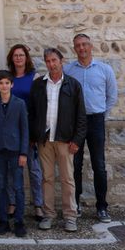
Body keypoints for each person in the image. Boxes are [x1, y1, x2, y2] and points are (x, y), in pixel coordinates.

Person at [28, 47, 87, 233]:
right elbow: (32, 113)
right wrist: (33, 136)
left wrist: (77, 140)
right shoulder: (38, 85)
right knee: (47, 178)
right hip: (45, 140)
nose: (51, 64)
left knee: (68, 179)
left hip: (65, 140)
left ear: (61, 61)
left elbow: (81, 116)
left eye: (54, 60)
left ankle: (70, 216)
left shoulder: (73, 85)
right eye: (48, 61)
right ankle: (49, 215)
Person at [64, 33, 118, 222]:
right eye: (78, 45)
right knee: (75, 165)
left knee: (99, 165)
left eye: (85, 44)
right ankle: (75, 205)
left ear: (91, 46)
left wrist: (102, 115)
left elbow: (112, 96)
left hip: (96, 121)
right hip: (76, 123)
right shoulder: (68, 70)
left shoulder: (104, 69)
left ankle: (102, 207)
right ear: (74, 48)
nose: (82, 48)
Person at [0, 69, 28, 237]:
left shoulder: (19, 103)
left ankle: (19, 220)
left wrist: (24, 153)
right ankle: (3, 220)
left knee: (18, 186)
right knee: (1, 185)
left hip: (16, 150)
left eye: (7, 83)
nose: (4, 86)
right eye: (1, 83)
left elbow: (24, 129)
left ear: (11, 84)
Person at [6, 44, 45, 221]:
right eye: (16, 55)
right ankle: (13, 204)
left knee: (34, 169)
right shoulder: (8, 78)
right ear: (11, 58)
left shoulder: (34, 77)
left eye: (21, 55)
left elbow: (39, 107)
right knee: (13, 170)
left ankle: (37, 205)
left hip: (29, 129)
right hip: (12, 130)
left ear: (26, 57)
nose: (19, 58)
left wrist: (36, 133)